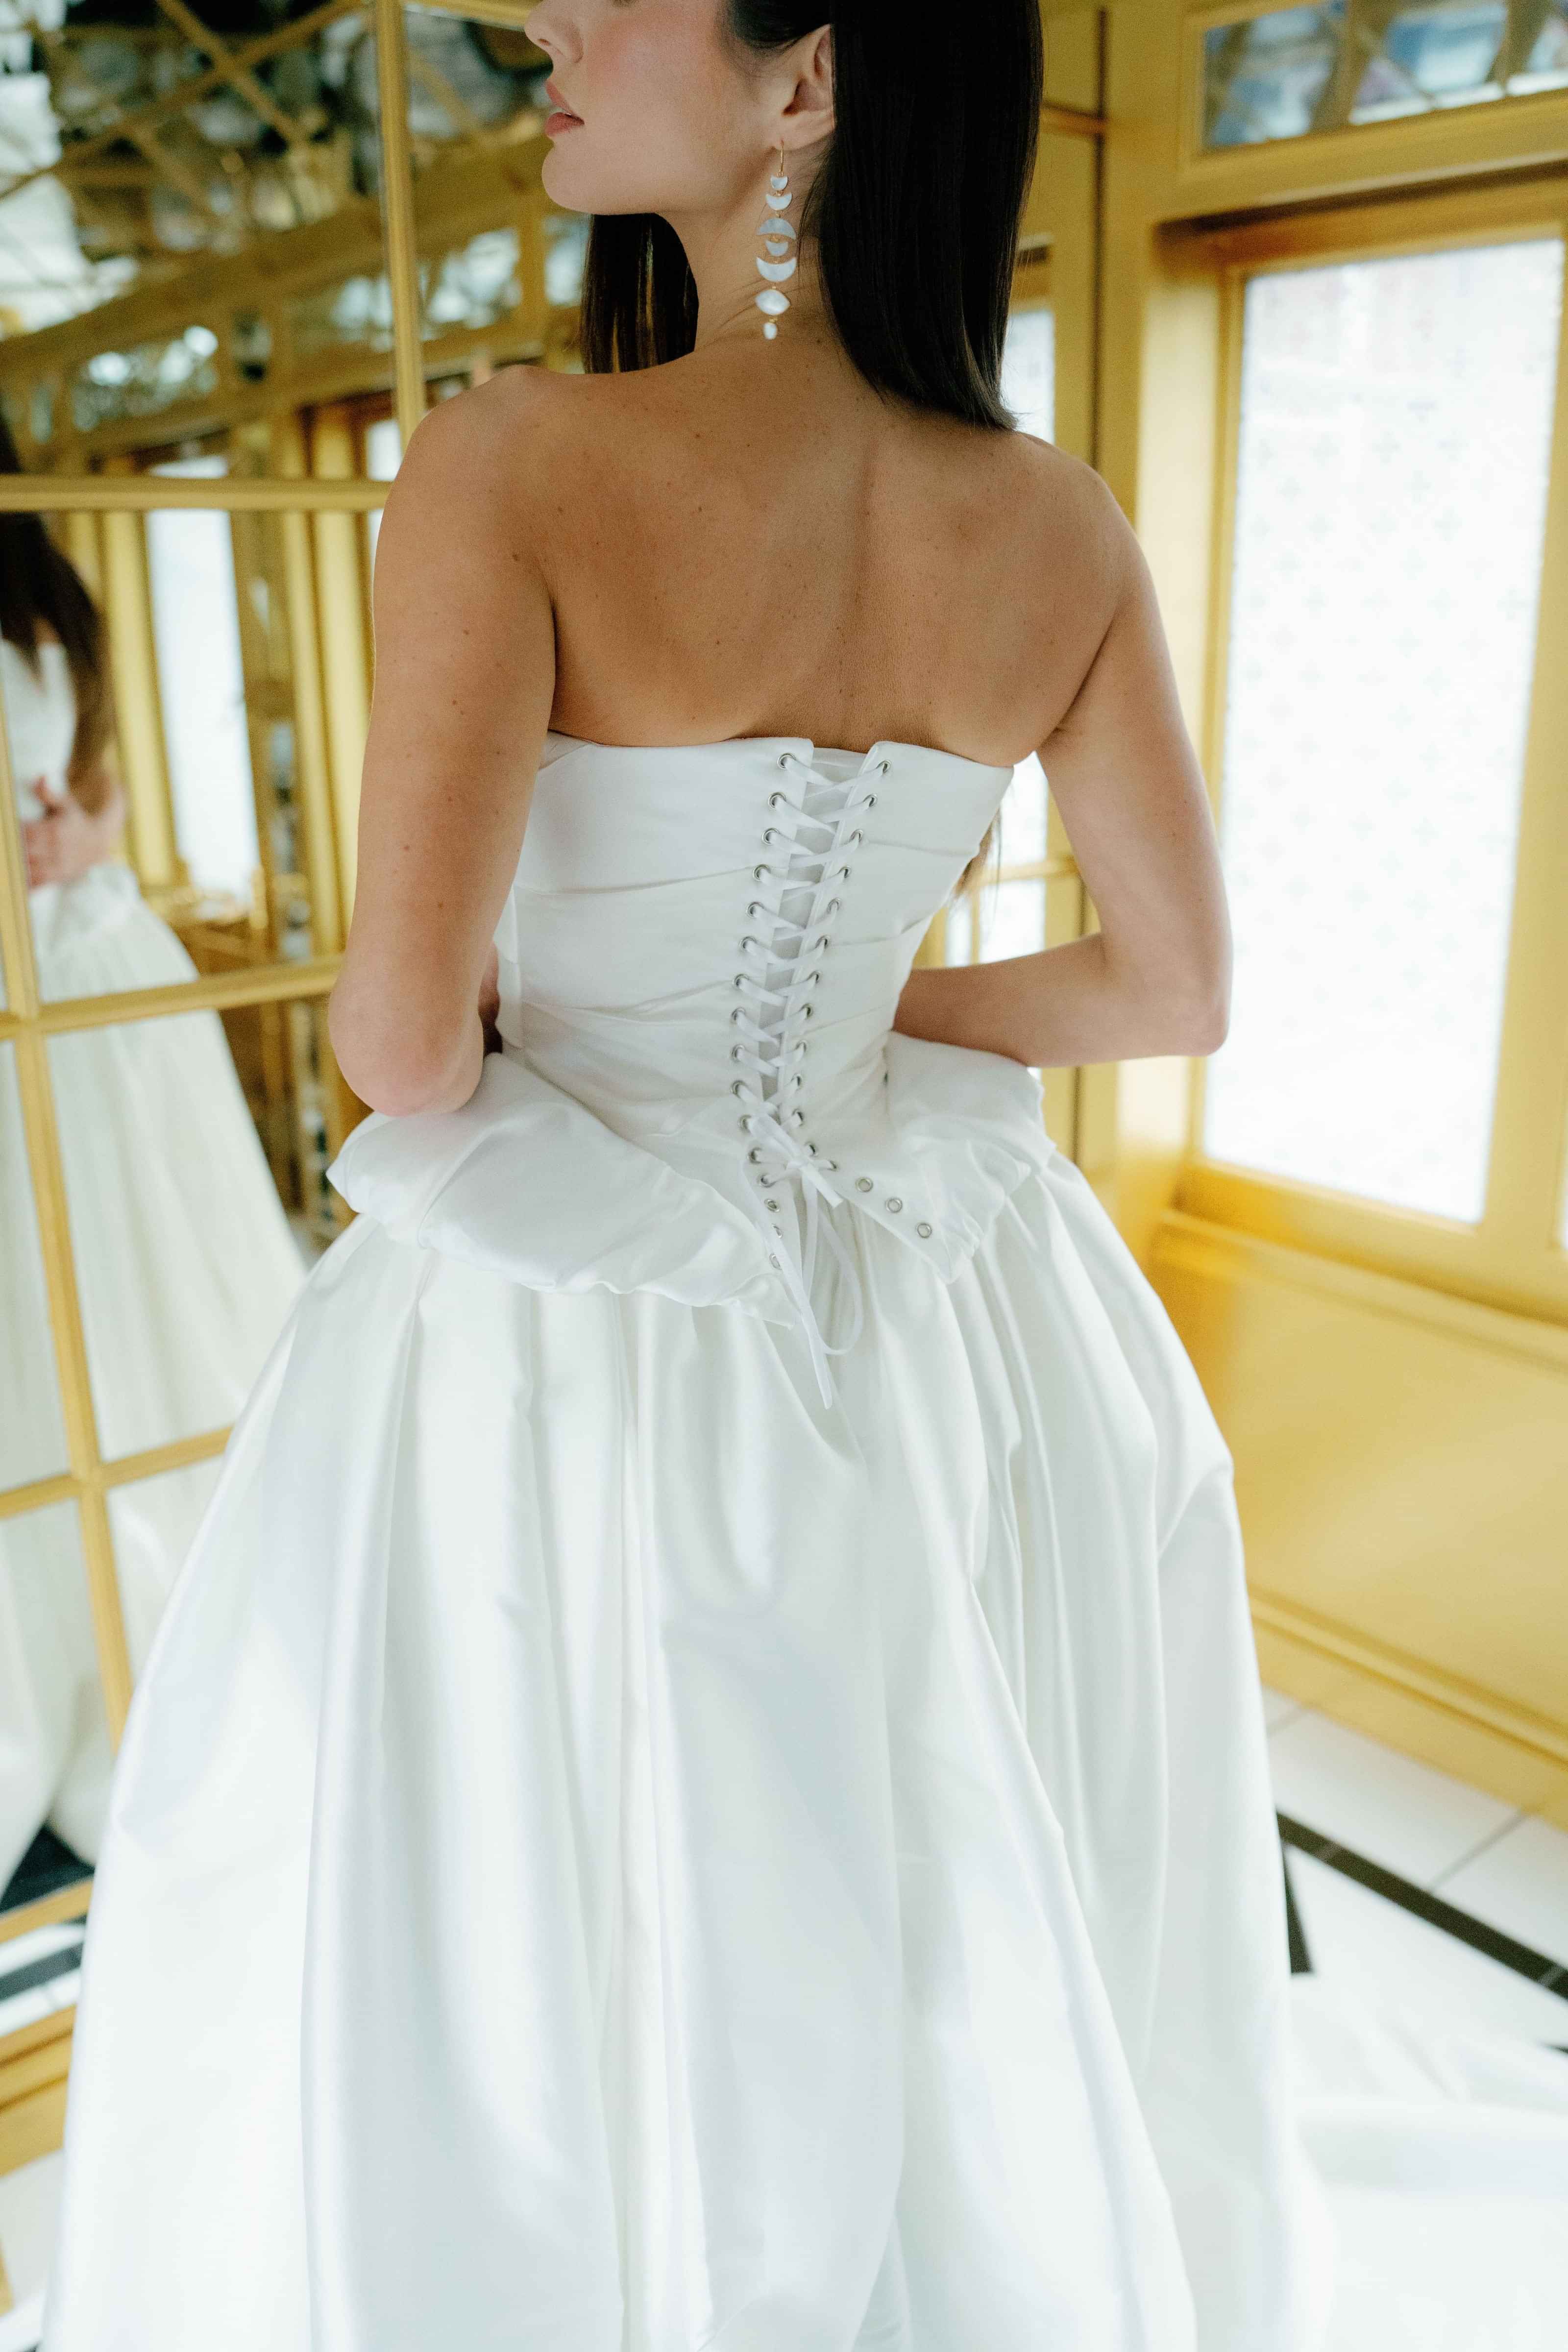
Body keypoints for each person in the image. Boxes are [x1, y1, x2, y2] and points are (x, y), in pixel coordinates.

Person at [42, 4, 1335, 2346]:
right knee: (949, 1889)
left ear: (802, 80)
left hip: (573, 1334)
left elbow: (401, 1053)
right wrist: (859, 1038)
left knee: (564, 1926)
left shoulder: (511, 463)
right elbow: (1170, 987)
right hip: (943, 1319)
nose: (537, 21)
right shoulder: (1055, 526)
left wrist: (618, 1036)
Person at [0, 426, 306, 1898]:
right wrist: (75, 840)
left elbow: (88, 797)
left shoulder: (44, 593)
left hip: (68, 959)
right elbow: (91, 794)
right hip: (89, 945)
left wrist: (67, 845)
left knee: (106, 1278)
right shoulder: (47, 595)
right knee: (105, 1280)